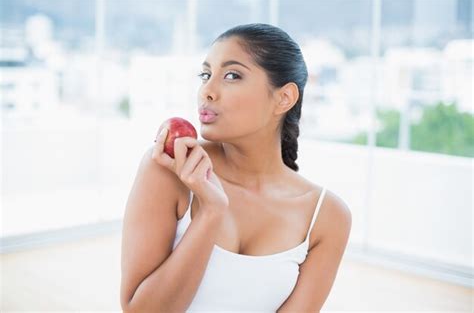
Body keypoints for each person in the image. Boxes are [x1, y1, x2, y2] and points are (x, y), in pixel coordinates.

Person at [120, 23, 352, 313]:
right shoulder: (169, 170)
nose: (207, 90)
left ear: (284, 98)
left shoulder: (327, 216)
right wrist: (211, 212)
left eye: (231, 75)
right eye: (205, 75)